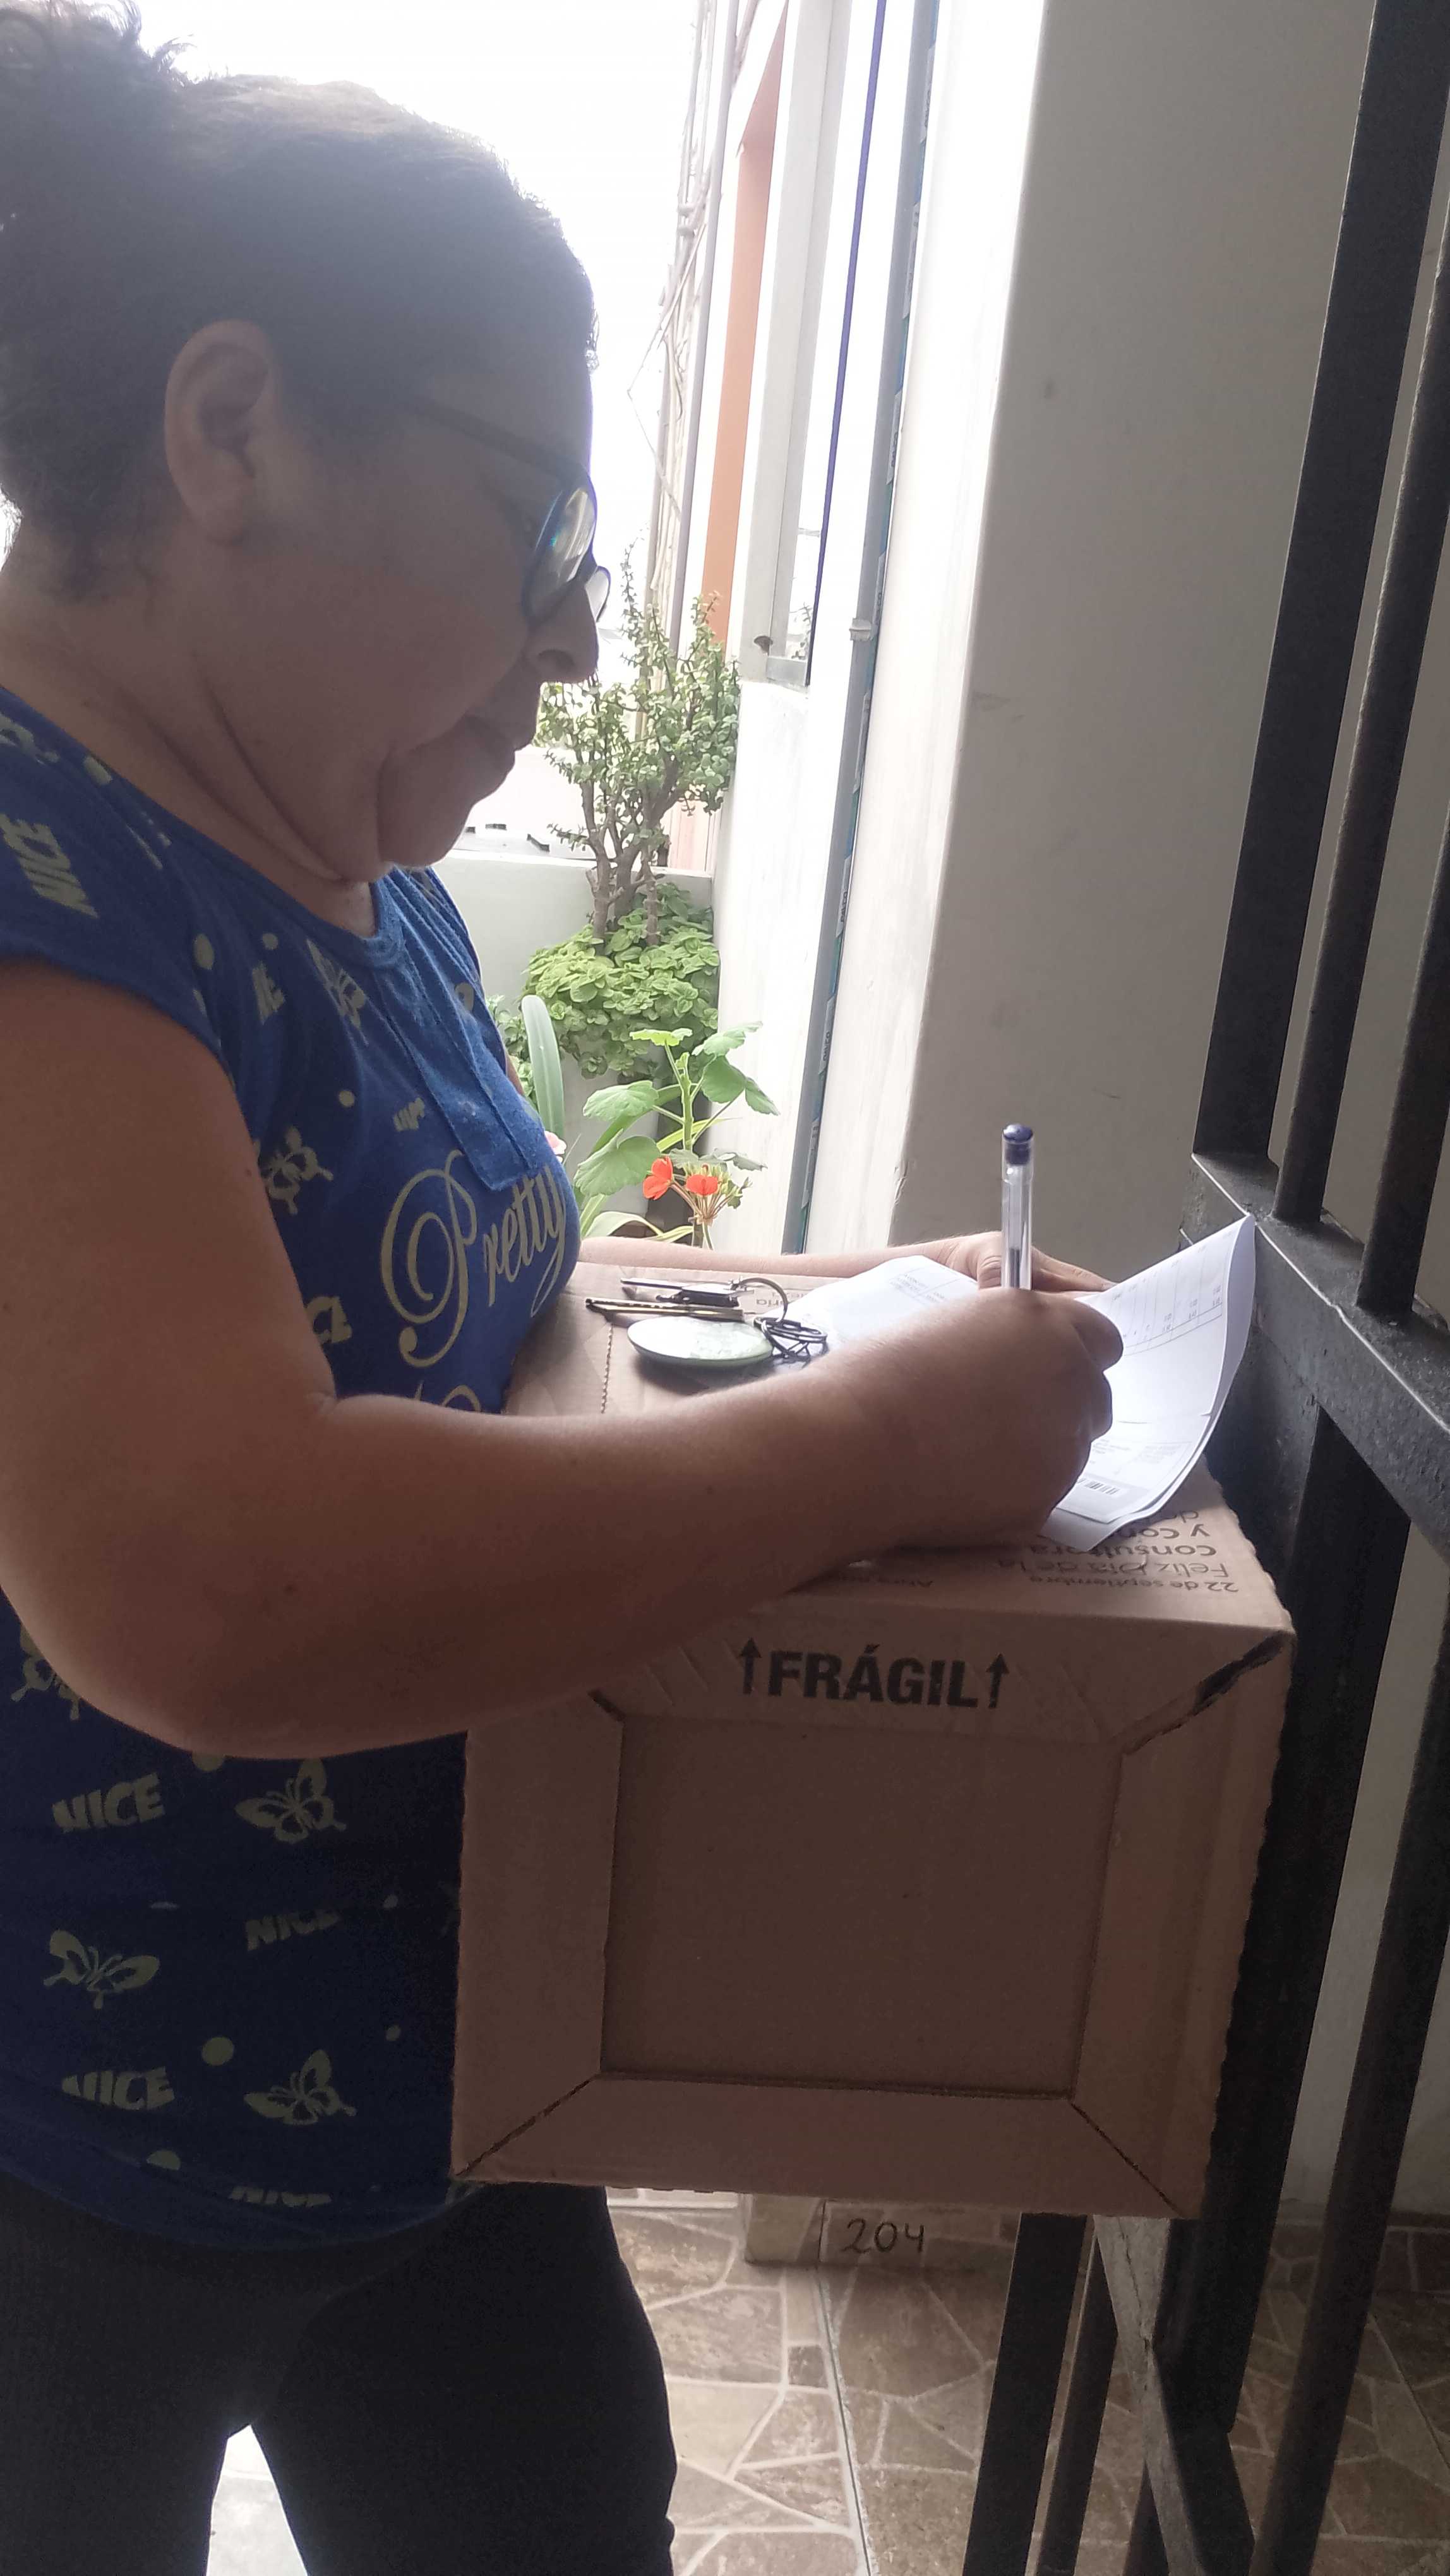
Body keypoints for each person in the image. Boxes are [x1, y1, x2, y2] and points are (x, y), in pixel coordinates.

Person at [0, 6, 1120, 2570]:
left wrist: (841, 1300)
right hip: (69, 2163)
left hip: (451, 2067)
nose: (582, 646)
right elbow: (215, 1580)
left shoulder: (338, 855)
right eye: (541, 532)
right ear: (231, 428)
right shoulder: (40, 896)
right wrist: (882, 1442)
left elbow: (434, 1291)